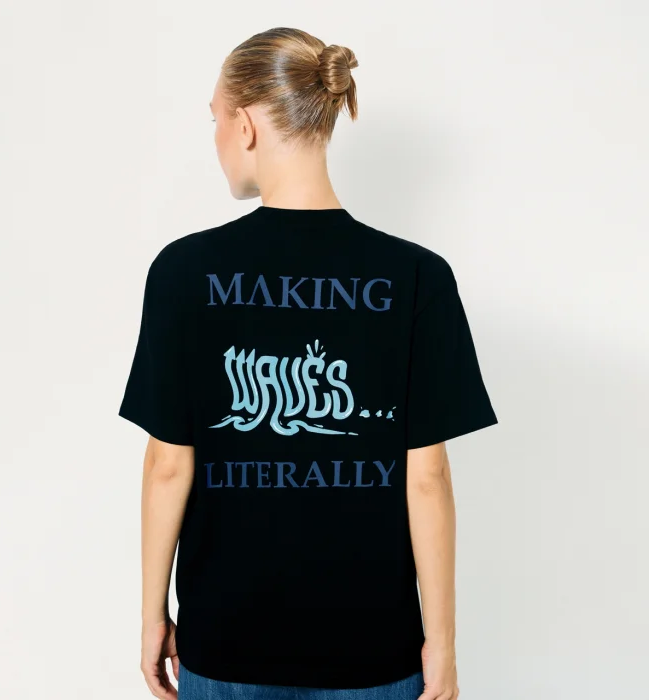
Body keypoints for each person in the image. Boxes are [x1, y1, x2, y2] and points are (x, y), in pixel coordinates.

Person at [118, 27, 498, 700]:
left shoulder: (183, 271)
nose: (216, 138)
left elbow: (168, 464)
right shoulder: (417, 276)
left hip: (227, 645)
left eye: (214, 119)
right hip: (374, 652)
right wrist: (441, 643)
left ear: (244, 126)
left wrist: (153, 618)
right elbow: (428, 476)